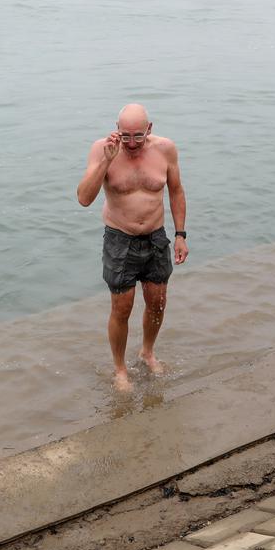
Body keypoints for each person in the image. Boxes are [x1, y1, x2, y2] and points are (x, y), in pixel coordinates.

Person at [75, 104, 188, 391]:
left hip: (155, 237)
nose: (132, 143)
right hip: (120, 238)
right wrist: (106, 161)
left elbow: (175, 190)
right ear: (117, 129)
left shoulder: (165, 149)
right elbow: (84, 198)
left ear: (149, 129)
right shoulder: (103, 149)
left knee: (157, 301)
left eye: (138, 136)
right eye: (126, 136)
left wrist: (180, 235)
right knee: (121, 307)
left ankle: (147, 352)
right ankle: (120, 369)